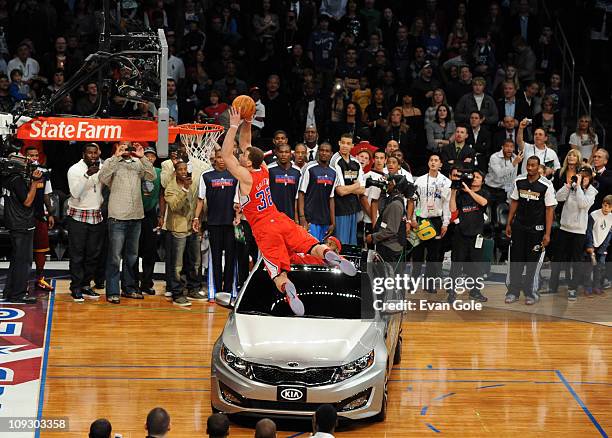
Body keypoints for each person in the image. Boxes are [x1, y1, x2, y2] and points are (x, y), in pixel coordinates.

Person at [221, 108, 356, 316]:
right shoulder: (264, 168)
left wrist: (233, 125)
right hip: (281, 218)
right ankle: (329, 254)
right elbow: (248, 145)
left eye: (243, 155)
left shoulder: (246, 177)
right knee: (313, 245)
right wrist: (247, 122)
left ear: (248, 162)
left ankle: (287, 289)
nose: (241, 153)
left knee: (278, 273)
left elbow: (226, 155)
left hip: (265, 229)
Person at [98, 141, 156, 304]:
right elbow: (102, 177)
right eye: (122, 146)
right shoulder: (112, 162)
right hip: (117, 217)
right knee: (115, 257)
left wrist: (142, 157)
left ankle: (129, 289)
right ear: (117, 147)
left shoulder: (138, 163)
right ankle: (112, 291)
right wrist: (116, 157)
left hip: (136, 216)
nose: (125, 148)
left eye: (128, 146)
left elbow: (152, 177)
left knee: (132, 256)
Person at [505, 156, 557, 305]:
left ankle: (531, 293)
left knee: (532, 263)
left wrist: (547, 234)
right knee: (516, 261)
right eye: (528, 165)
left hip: (537, 230)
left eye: (533, 165)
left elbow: (549, 210)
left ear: (538, 167)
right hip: (519, 227)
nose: (529, 168)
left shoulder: (546, 185)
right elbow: (514, 201)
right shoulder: (519, 181)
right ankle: (513, 292)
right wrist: (509, 223)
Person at [547, 166, 597, 301]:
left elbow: (582, 204)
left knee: (576, 261)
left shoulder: (592, 191)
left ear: (590, 179)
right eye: (580, 176)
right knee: (557, 258)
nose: (581, 179)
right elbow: (558, 197)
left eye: (585, 177)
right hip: (564, 228)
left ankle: (573, 289)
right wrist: (569, 185)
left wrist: (579, 187)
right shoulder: (573, 186)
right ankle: (552, 286)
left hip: (579, 231)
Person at [194, 150, 237, 301]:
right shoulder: (206, 176)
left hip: (232, 224)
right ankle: (216, 291)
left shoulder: (235, 175)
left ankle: (229, 291)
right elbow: (200, 199)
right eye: (219, 157)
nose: (222, 160)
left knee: (231, 259)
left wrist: (238, 217)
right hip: (213, 223)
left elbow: (239, 200)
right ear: (215, 159)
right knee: (216, 259)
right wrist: (196, 218)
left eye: (224, 157)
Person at [66, 143, 105, 302]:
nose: (93, 156)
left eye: (95, 153)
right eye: (90, 153)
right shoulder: (74, 169)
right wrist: (87, 175)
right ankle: (75, 287)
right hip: (78, 215)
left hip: (96, 214)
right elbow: (75, 193)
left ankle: (86, 285)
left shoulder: (102, 167)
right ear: (84, 154)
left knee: (93, 254)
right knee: (77, 254)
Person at [407, 154, 451, 293]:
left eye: (436, 160)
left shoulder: (446, 182)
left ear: (441, 164)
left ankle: (429, 284)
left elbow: (446, 204)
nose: (433, 162)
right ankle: (413, 282)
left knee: (433, 256)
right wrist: (412, 218)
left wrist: (445, 223)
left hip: (436, 221)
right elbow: (413, 202)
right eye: (431, 160)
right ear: (428, 163)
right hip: (420, 220)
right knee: (417, 255)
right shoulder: (419, 181)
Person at [0, 155, 40, 304]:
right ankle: (18, 294)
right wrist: (35, 183)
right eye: (24, 162)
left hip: (13, 222)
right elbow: (28, 201)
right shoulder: (16, 180)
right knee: (24, 261)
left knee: (16, 260)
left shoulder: (6, 179)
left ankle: (9, 291)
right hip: (22, 224)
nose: (26, 164)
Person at [166, 162, 204, 306]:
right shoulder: (171, 187)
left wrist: (197, 220)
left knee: (195, 262)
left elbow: (199, 203)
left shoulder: (194, 183)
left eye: (185, 169)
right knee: (177, 265)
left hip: (192, 227)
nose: (183, 172)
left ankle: (193, 289)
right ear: (175, 172)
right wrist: (184, 189)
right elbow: (175, 206)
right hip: (178, 229)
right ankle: (177, 293)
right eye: (180, 169)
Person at [449, 168, 489, 303]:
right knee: (456, 265)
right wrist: (454, 191)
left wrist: (469, 191)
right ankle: (452, 292)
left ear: (483, 181)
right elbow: (453, 209)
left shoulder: (484, 193)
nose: (475, 179)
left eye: (478, 177)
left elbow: (483, 203)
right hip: (461, 234)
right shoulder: (461, 193)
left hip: (477, 235)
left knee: (476, 265)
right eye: (474, 177)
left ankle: (475, 291)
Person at [23, 146, 55, 292]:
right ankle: (21, 280)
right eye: (31, 155)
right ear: (25, 156)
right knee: (23, 250)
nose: (34, 158)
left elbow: (47, 194)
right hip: (22, 216)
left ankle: (40, 278)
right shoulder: (19, 171)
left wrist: (50, 213)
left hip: (39, 215)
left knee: (41, 248)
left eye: (36, 155)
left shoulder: (44, 172)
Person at [134, 145, 164, 296]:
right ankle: (133, 283)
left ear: (156, 158)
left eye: (152, 156)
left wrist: (160, 215)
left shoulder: (159, 172)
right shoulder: (137, 170)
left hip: (151, 214)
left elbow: (161, 195)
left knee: (150, 251)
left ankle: (147, 282)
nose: (149, 158)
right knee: (133, 251)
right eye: (147, 156)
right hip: (135, 213)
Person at [365, 174, 410, 263]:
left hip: (390, 248)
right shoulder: (394, 199)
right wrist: (382, 192)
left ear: (396, 187)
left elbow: (391, 230)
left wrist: (373, 237)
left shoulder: (395, 204)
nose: (387, 185)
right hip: (387, 245)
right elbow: (382, 209)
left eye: (390, 183)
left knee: (386, 275)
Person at [331, 133, 365, 245]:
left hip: (353, 207)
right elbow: (340, 191)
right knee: (341, 244)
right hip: (340, 209)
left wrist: (350, 188)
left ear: (352, 146)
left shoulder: (356, 162)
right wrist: (355, 185)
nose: (345, 146)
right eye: (343, 143)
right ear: (339, 143)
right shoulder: (335, 160)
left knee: (352, 244)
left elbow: (362, 189)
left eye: (348, 143)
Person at [298, 142, 337, 241]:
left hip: (325, 219)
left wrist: (333, 222)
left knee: (322, 250)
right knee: (312, 249)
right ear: (318, 152)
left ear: (331, 154)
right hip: (310, 218)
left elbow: (331, 198)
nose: (324, 153)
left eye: (327, 151)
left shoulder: (334, 172)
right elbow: (301, 193)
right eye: (322, 150)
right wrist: (302, 217)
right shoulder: (310, 169)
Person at [485, 140, 522, 224]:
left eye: (511, 147)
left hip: (504, 189)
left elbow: (513, 175)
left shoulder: (515, 157)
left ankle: (500, 231)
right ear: (502, 147)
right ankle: (489, 231)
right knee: (490, 212)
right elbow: (499, 173)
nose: (509, 149)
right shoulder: (494, 157)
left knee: (501, 212)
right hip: (491, 189)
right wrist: (514, 163)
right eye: (507, 146)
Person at [585, 195, 612, 295]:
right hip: (592, 245)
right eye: (605, 205)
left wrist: (604, 247)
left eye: (609, 207)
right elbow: (588, 231)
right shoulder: (593, 215)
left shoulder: (611, 218)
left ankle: (596, 287)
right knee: (589, 268)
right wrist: (590, 245)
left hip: (602, 247)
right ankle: (587, 287)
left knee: (599, 268)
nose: (606, 208)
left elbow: (609, 233)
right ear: (602, 204)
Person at [267, 143, 301, 221]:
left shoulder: (297, 171)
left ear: (291, 154)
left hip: (291, 214)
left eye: (286, 152)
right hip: (273, 214)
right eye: (281, 152)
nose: (283, 154)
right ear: (277, 153)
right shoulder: (269, 169)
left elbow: (298, 196)